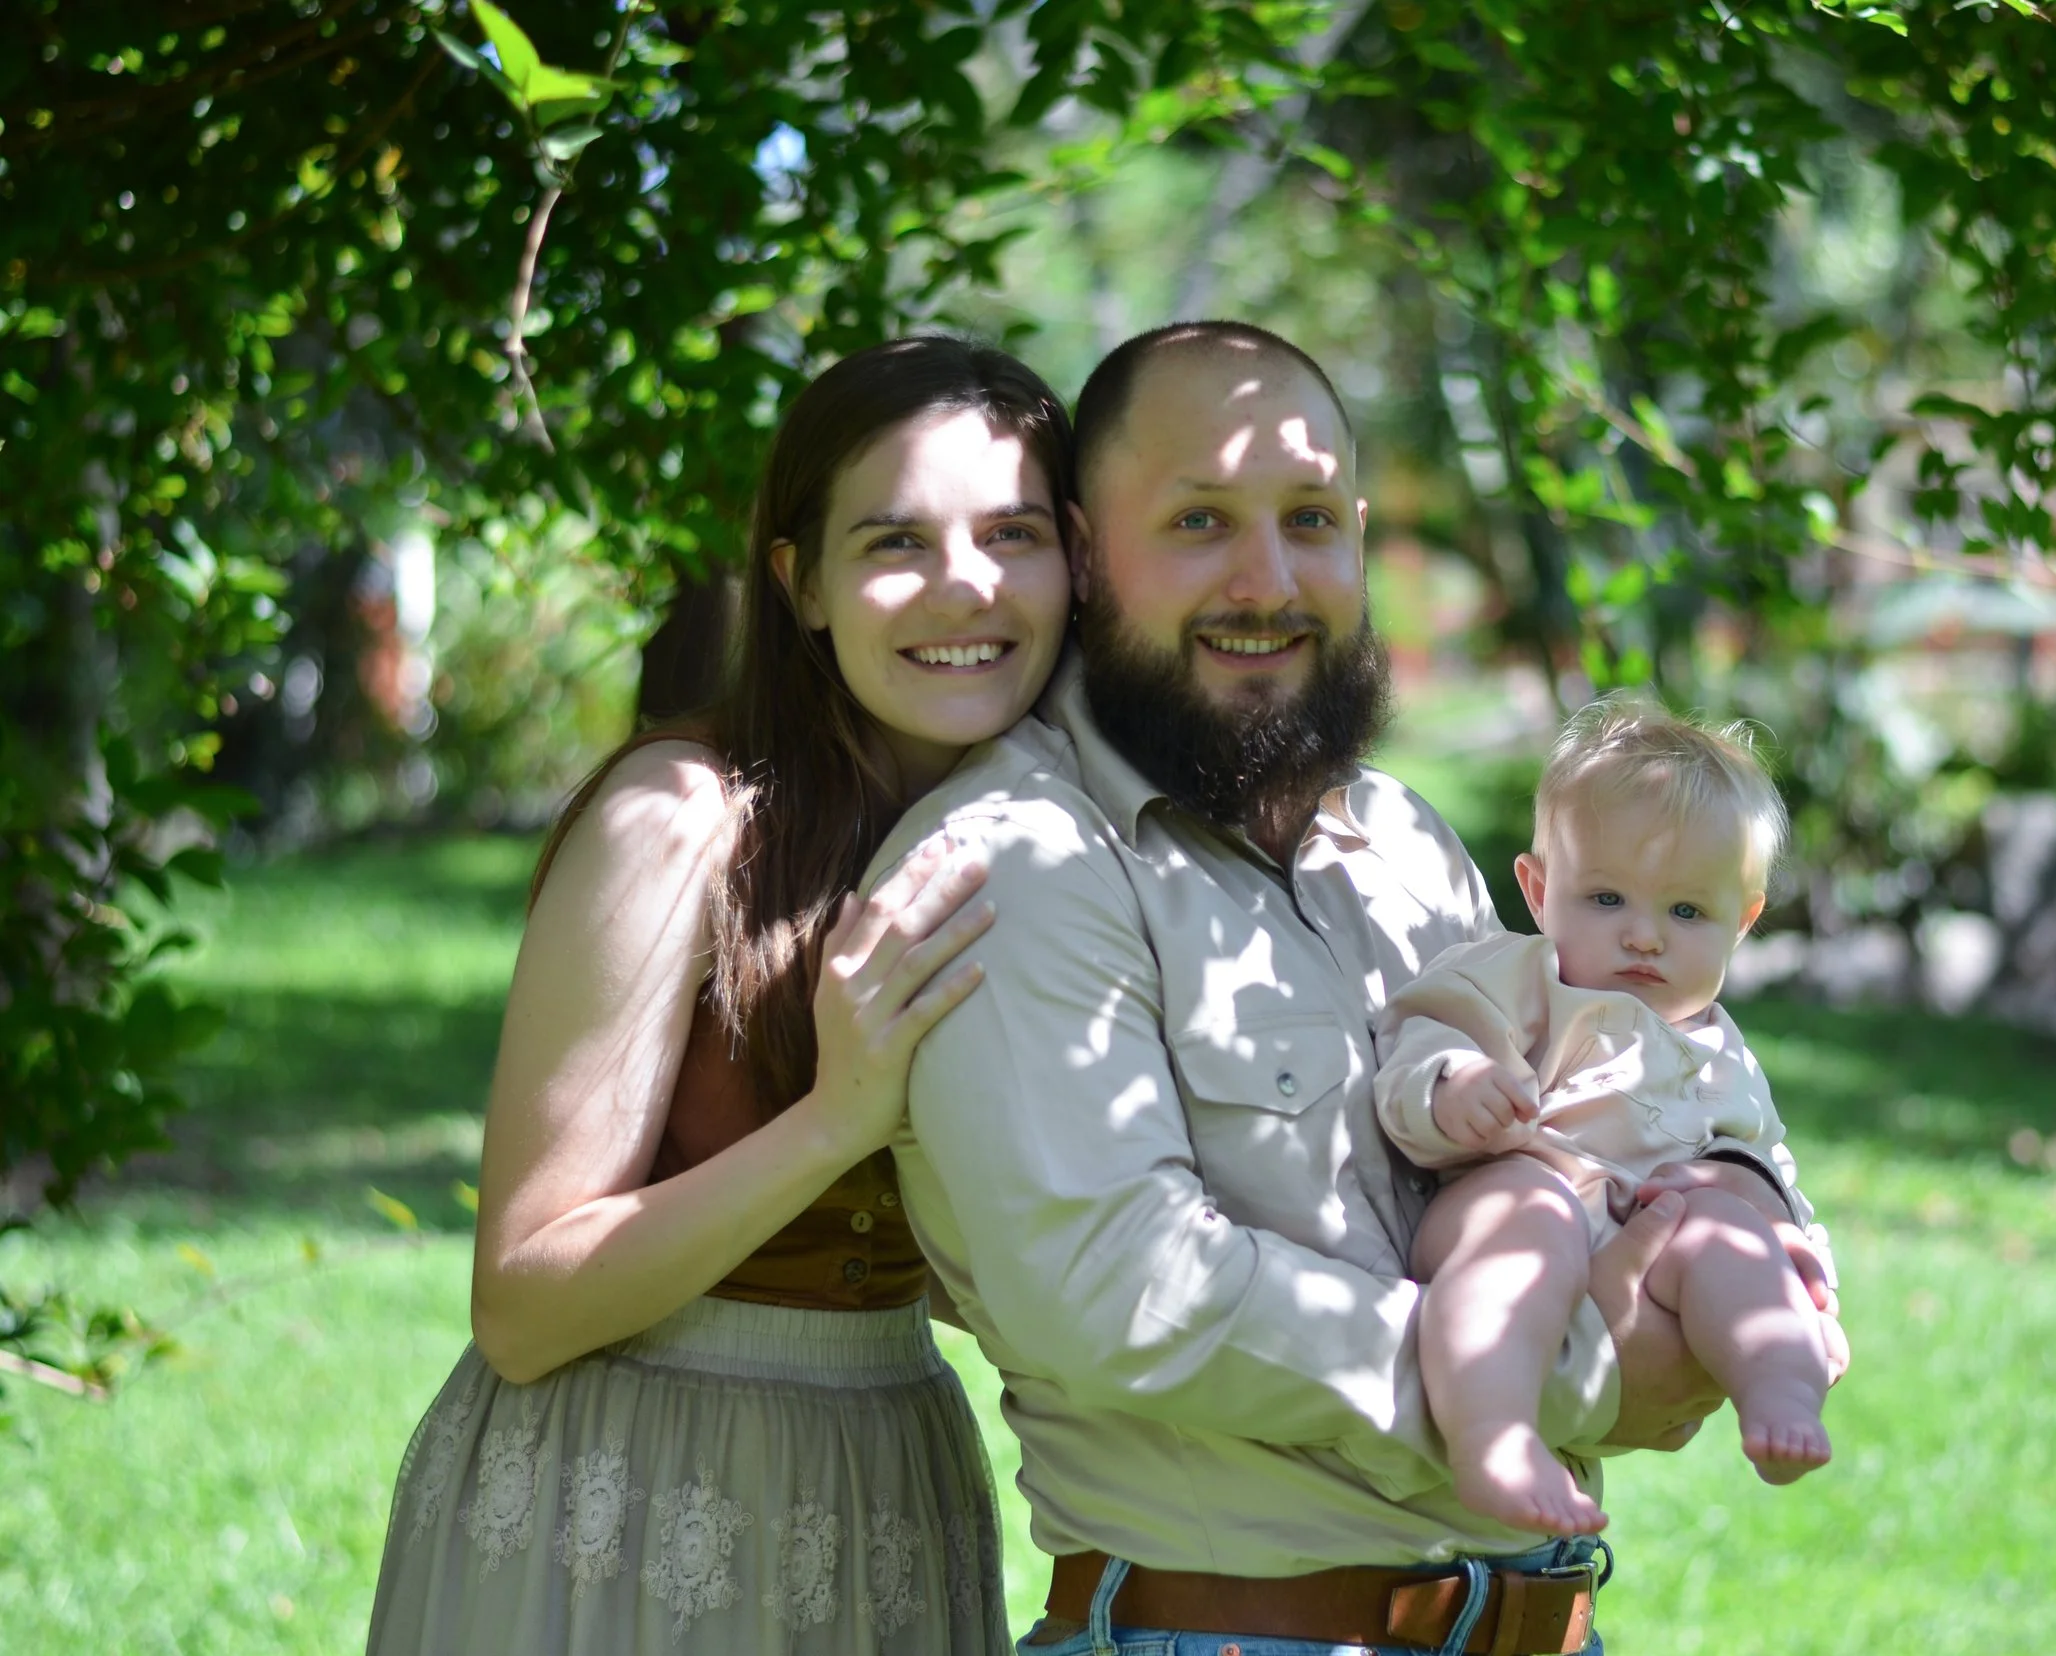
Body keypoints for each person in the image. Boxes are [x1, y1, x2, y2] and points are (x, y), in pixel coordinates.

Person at [863, 320, 1847, 1656]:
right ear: (1088, 552)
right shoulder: (1020, 864)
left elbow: (1601, 1122)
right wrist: (1580, 1375)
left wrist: (1753, 1268)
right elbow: (1119, 1293)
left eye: (1311, 518)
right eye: (1202, 519)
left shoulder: (1399, 841)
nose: (1269, 580)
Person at [365, 336, 1076, 1655]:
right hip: (628, 1486)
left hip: (885, 1476)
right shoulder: (678, 821)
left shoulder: (1051, 848)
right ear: (802, 585)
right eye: (894, 544)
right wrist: (835, 1118)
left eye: (1014, 533)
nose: (965, 586)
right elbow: (522, 1307)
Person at [1376, 697, 1833, 1539]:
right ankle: (1494, 1433)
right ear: (1540, 891)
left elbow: (1776, 1178)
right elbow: (1417, 1040)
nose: (1645, 938)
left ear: (1744, 921)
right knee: (1527, 1212)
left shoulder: (1726, 1058)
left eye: (1686, 913)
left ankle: (1782, 1386)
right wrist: (1456, 1084)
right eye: (1608, 898)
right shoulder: (1516, 979)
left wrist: (1800, 1268)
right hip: (1518, 1192)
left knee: (1730, 1234)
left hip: (1649, 1245)